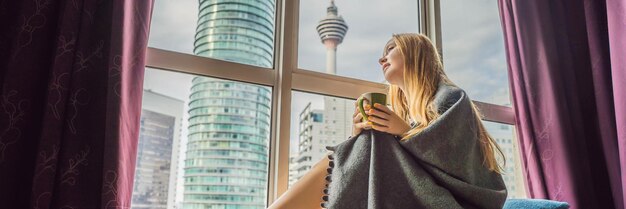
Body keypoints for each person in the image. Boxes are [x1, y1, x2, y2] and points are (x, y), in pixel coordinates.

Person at [268, 33, 505, 209]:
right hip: (426, 196)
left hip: (456, 203)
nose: (382, 59)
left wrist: (402, 131)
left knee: (372, 139)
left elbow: (457, 167)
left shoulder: (451, 98)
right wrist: (356, 136)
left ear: (415, 53)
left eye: (391, 48)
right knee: (363, 141)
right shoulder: (412, 111)